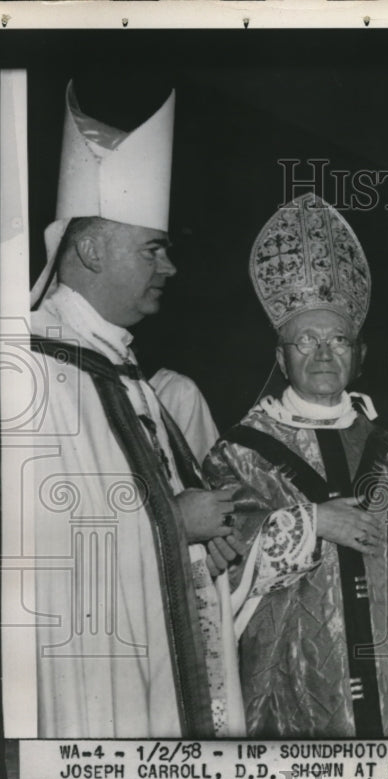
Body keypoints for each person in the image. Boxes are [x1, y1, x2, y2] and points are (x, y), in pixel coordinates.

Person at [26, 82, 243, 737]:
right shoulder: (34, 370)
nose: (171, 267)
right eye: (154, 247)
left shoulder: (124, 373)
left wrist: (211, 539)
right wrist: (173, 522)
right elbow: (34, 552)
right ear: (91, 249)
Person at [202, 193, 388, 738]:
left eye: (337, 339)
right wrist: (312, 523)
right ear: (281, 356)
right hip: (297, 680)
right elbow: (214, 567)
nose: (323, 354)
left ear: (358, 353)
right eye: (306, 341)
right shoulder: (241, 452)